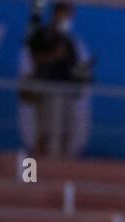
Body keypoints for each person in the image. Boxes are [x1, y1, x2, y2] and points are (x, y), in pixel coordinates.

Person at [24, 2, 92, 157]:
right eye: (67, 15)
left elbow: (73, 65)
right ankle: (33, 174)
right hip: (48, 87)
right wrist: (53, 56)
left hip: (66, 89)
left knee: (66, 132)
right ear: (58, 14)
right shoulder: (43, 34)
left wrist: (82, 72)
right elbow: (33, 57)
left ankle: (58, 169)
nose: (69, 19)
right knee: (45, 131)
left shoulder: (68, 40)